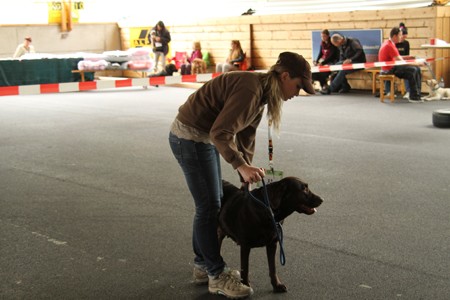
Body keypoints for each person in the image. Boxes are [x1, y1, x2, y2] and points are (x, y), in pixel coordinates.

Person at [168, 52, 314, 298]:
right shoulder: (250, 90)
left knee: (209, 203)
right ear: (285, 76)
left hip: (201, 137)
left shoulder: (261, 93)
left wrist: (245, 168)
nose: (297, 93)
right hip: (190, 137)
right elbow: (220, 132)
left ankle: (203, 264)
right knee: (209, 206)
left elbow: (246, 135)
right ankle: (215, 274)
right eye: (298, 86)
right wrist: (240, 165)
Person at [378, 26, 424, 102]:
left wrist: (410, 57)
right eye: (400, 35)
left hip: (391, 67)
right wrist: (417, 63)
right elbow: (401, 62)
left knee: (416, 69)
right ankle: (413, 96)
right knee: (413, 70)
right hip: (389, 69)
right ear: (395, 36)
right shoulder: (390, 46)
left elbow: (397, 57)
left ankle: (417, 94)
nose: (401, 37)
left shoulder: (389, 43)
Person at [395, 22, 412, 99]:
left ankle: (409, 91)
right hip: (394, 63)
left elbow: (407, 55)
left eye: (405, 38)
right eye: (403, 37)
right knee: (406, 70)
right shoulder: (394, 44)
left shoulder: (406, 43)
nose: (403, 39)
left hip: (403, 62)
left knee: (412, 70)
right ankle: (389, 90)